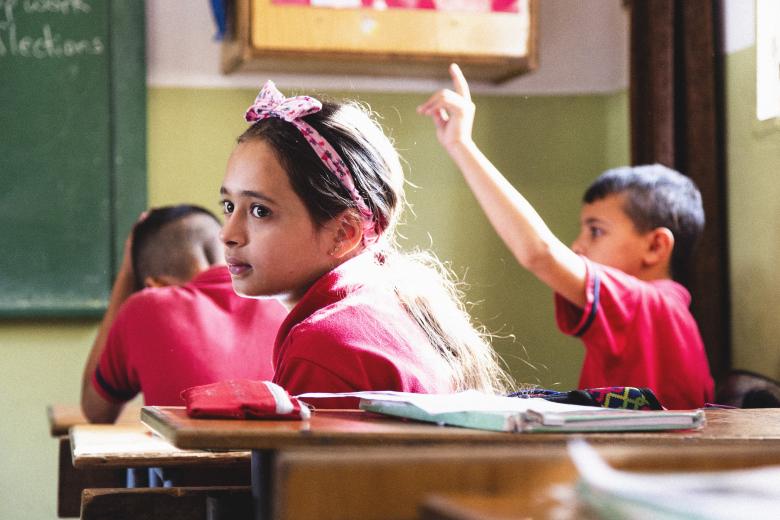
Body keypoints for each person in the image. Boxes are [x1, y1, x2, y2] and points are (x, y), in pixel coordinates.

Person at [418, 64, 714, 409]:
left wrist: (461, 145)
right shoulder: (658, 314)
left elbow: (539, 253)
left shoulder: (647, 305)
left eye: (596, 231)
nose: (578, 245)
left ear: (655, 246)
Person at [219, 81, 512, 407]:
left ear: (344, 232)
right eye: (229, 207)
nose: (228, 234)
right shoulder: (391, 297)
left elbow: (301, 461)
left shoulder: (325, 347)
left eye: (260, 211)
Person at [81, 204, 288, 423]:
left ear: (156, 284)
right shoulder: (281, 298)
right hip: (282, 457)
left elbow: (96, 411)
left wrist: (127, 275)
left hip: (188, 457)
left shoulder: (145, 306)